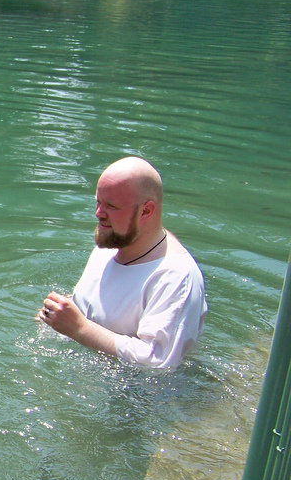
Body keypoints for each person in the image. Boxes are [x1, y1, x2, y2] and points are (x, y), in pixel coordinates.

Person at [39, 156, 207, 368]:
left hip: (139, 397)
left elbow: (158, 362)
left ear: (146, 210)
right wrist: (57, 314)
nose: (98, 214)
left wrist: (79, 328)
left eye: (111, 206)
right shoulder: (111, 243)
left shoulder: (175, 277)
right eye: (98, 201)